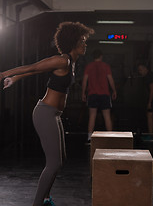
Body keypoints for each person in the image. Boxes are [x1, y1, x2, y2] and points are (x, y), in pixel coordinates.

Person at [0, 21, 94, 206]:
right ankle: (38, 203)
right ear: (73, 42)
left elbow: (36, 70)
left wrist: (16, 78)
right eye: (82, 41)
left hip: (54, 114)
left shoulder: (72, 62)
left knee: (60, 160)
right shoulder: (62, 60)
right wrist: (4, 74)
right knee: (54, 164)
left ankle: (45, 199)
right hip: (45, 113)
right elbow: (33, 67)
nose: (85, 44)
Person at [82, 49, 117, 142]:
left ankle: (89, 138)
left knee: (92, 116)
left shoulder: (89, 66)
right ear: (101, 56)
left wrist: (83, 93)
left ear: (93, 57)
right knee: (107, 116)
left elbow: (85, 81)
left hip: (92, 94)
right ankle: (110, 137)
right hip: (104, 94)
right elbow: (110, 79)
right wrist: (114, 90)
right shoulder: (106, 66)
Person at [138, 63, 153, 134]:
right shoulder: (150, 75)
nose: (139, 72)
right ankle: (152, 133)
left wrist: (149, 102)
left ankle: (151, 134)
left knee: (150, 114)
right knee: (152, 114)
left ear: (145, 69)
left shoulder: (149, 76)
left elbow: (152, 90)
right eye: (139, 70)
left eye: (141, 70)